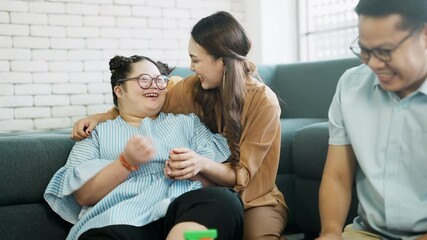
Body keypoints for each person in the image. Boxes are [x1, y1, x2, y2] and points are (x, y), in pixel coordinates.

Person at [72, 11, 288, 240]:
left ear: (221, 60)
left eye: (195, 60)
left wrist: (199, 164)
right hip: (181, 208)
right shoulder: (191, 90)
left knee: (225, 208)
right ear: (119, 89)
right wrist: (103, 117)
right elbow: (144, 102)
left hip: (251, 198)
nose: (191, 67)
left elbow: (241, 174)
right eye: (143, 80)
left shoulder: (262, 102)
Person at [44, 55, 244, 240]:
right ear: (119, 90)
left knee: (225, 202)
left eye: (160, 80)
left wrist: (195, 168)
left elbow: (221, 179)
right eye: (144, 80)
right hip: (119, 221)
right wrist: (126, 163)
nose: (154, 86)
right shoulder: (96, 133)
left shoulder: (188, 123)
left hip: (179, 214)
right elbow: (83, 195)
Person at [317, 0, 427, 239]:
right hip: (369, 233)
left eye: (385, 51)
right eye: (365, 51)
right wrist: (331, 232)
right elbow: (337, 176)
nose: (374, 64)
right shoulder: (350, 86)